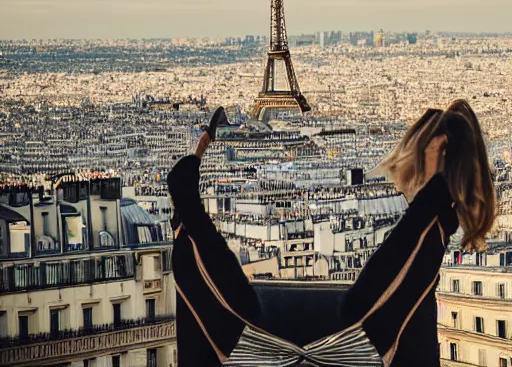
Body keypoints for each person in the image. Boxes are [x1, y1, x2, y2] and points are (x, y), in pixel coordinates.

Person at [168, 101, 496, 367]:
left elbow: (360, 310)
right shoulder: (430, 232)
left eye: (406, 149)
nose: (396, 159)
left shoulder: (424, 233)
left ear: (430, 156)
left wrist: (187, 207)